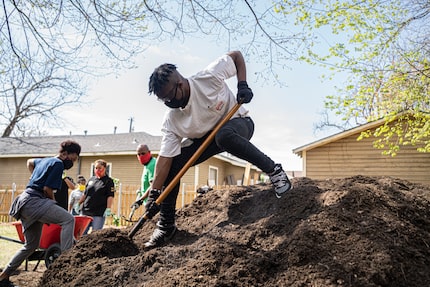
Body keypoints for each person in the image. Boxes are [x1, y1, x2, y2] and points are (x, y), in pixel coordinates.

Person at [143, 50, 292, 248]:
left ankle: (275, 172)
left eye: (169, 97)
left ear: (179, 84)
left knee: (224, 135)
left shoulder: (208, 77)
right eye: (163, 100)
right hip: (208, 139)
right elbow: (165, 158)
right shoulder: (172, 119)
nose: (168, 103)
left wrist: (242, 84)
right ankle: (166, 226)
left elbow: (237, 56)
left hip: (238, 123)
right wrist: (155, 193)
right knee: (175, 162)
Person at [0, 140, 81, 287]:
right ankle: (66, 261)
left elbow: (29, 162)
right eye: (72, 159)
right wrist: (54, 206)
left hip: (24, 201)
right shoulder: (58, 164)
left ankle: (4, 275)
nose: (72, 163)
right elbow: (47, 189)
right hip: (35, 201)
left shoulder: (45, 161)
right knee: (68, 219)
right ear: (64, 154)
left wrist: (35, 177)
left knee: (31, 245)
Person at [79, 159, 115, 234]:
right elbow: (85, 194)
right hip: (85, 211)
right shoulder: (91, 179)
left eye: (100, 168)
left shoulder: (108, 181)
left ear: (104, 168)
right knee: (81, 233)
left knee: (95, 234)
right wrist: (78, 203)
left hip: (98, 213)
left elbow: (110, 196)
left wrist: (108, 208)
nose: (97, 170)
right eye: (96, 168)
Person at [131, 144, 156, 209]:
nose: (141, 156)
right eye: (138, 154)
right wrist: (141, 189)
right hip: (148, 203)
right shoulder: (147, 165)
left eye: (143, 153)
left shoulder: (152, 164)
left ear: (149, 152)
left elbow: (153, 186)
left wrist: (140, 200)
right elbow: (147, 182)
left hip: (153, 204)